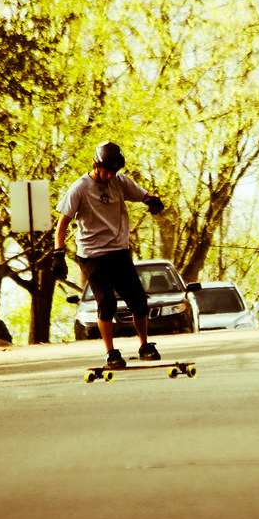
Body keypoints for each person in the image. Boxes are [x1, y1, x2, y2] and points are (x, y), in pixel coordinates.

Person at [52, 142, 165, 368]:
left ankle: (144, 345)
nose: (111, 175)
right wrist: (58, 253)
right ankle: (111, 353)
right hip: (93, 255)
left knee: (139, 301)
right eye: (107, 171)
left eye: (115, 171)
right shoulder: (79, 188)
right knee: (108, 304)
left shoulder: (119, 182)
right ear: (96, 166)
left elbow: (142, 194)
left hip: (119, 251)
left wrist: (152, 200)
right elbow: (62, 222)